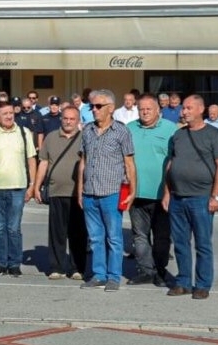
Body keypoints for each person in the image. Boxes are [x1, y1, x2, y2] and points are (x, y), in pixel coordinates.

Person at [163, 95, 218, 300]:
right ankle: (183, 282)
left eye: (189, 108)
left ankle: (202, 284)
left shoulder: (213, 134)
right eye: (183, 108)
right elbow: (170, 164)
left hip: (201, 198)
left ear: (201, 109)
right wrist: (166, 193)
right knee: (180, 243)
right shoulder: (178, 135)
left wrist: (215, 196)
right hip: (177, 198)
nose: (184, 112)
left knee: (202, 244)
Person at [77, 89, 136, 292]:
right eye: (92, 106)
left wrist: (132, 191)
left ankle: (113, 276)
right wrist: (80, 190)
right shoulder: (87, 130)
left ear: (110, 108)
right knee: (95, 238)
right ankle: (99, 275)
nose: (94, 109)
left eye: (98, 106)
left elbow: (129, 163)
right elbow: (83, 162)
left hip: (111, 192)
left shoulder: (121, 131)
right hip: (89, 192)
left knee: (114, 237)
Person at [127, 94, 177, 286]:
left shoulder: (171, 129)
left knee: (162, 237)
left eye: (149, 108)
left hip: (162, 194)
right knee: (140, 236)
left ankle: (160, 271)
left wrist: (170, 190)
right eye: (141, 109)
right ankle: (145, 271)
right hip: (136, 192)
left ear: (158, 110)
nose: (145, 112)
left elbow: (176, 160)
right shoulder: (129, 128)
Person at [0, 101, 36, 277]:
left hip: (17, 188)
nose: (8, 116)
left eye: (11, 113)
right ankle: (0, 262)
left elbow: (31, 160)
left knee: (13, 228)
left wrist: (32, 185)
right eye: (4, 113)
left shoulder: (24, 132)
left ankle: (14, 263)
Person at [33, 105, 86, 280]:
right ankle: (57, 267)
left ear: (78, 121)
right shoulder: (51, 137)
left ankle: (77, 268)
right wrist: (36, 186)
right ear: (61, 119)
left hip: (78, 194)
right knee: (57, 233)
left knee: (78, 233)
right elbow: (43, 163)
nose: (68, 122)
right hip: (56, 191)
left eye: (72, 119)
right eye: (65, 118)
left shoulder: (85, 138)